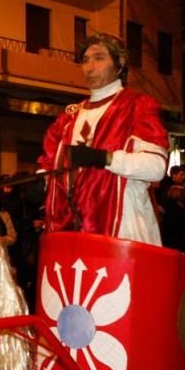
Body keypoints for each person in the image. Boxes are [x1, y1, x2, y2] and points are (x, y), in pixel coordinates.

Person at [38, 33, 169, 245]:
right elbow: (48, 168)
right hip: (73, 235)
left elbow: (155, 168)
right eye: (85, 60)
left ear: (120, 64)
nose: (89, 67)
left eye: (99, 58)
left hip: (123, 230)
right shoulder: (68, 118)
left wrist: (105, 159)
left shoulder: (138, 106)